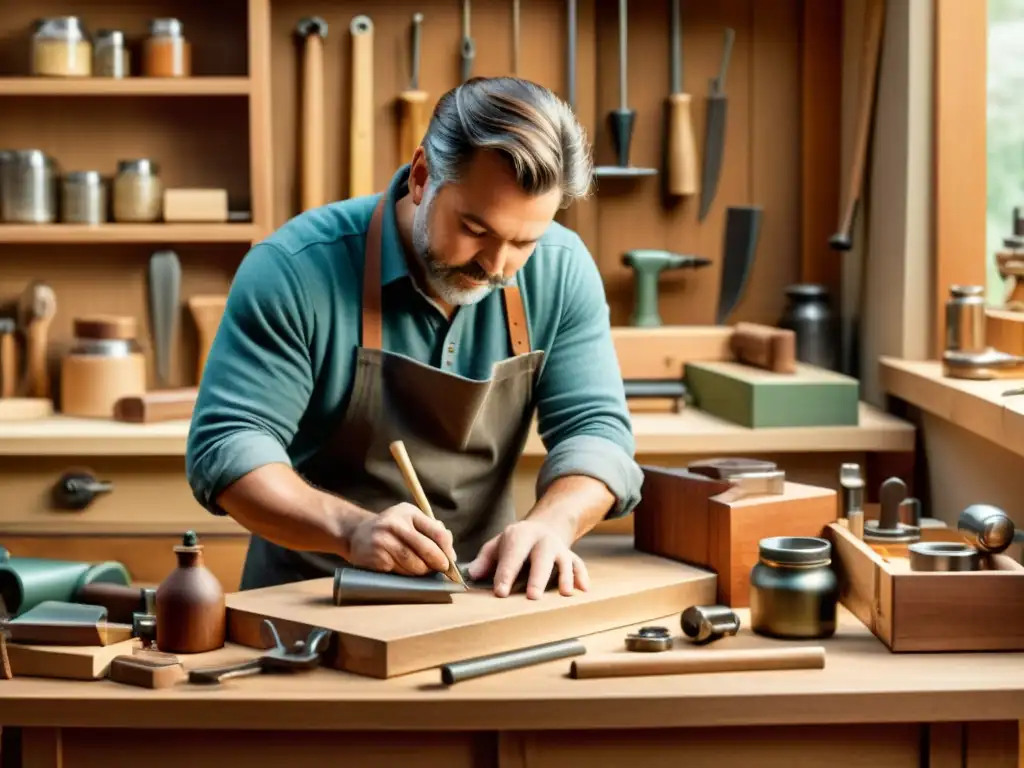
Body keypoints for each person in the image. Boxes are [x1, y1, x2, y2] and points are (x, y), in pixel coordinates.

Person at [185, 76, 643, 600]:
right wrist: (350, 530)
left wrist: (553, 524)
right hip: (311, 602)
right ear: (422, 176)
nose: (496, 266)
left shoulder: (562, 269)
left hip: (481, 601)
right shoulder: (293, 270)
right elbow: (229, 445)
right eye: (475, 229)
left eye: (524, 242)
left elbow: (598, 432)